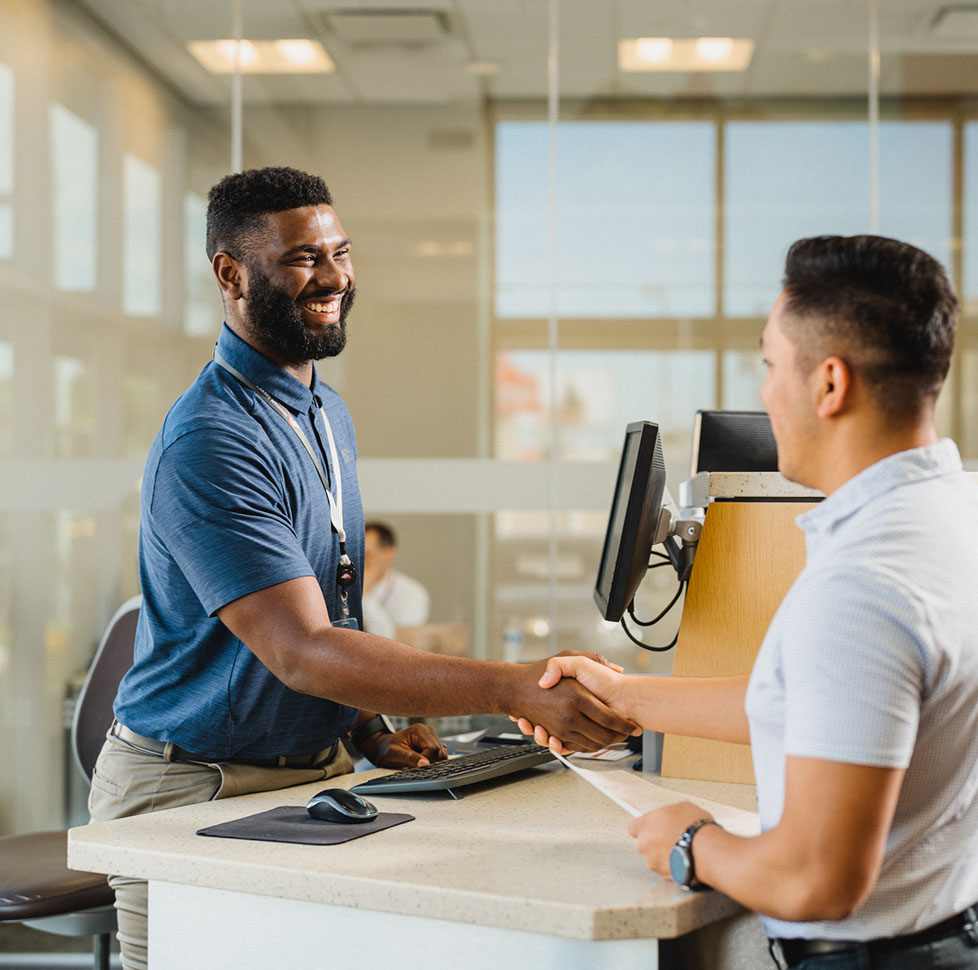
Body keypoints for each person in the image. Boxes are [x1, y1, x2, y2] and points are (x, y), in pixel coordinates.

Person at [89, 166, 636, 970]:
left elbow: (332, 598)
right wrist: (514, 687)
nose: (336, 277)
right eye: (305, 258)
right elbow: (303, 649)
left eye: (341, 252)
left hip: (316, 776)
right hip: (194, 788)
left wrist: (370, 728)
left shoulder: (322, 410)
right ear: (230, 274)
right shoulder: (211, 438)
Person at [518, 235, 978, 969]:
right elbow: (834, 702)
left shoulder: (866, 579)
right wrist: (627, 697)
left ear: (829, 385)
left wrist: (689, 842)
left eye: (771, 365)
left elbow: (816, 880)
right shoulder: (965, 515)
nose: (766, 390)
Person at [362, 521, 430, 632]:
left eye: (367, 555)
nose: (359, 561)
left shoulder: (412, 593)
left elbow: (398, 641)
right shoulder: (341, 587)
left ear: (389, 554)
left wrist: (364, 596)